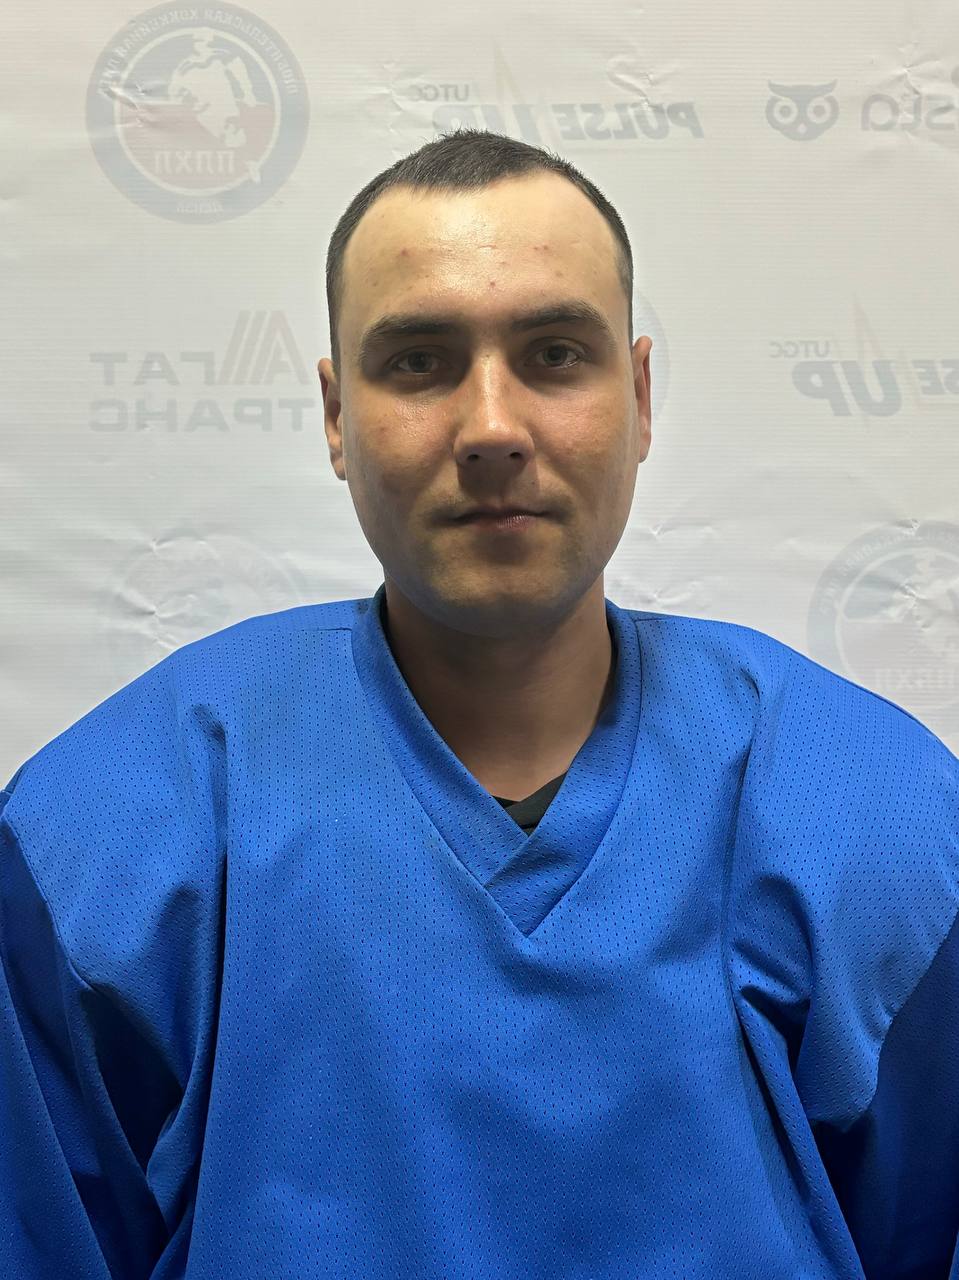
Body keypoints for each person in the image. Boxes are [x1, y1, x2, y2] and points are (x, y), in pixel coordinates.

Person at [1, 127, 956, 1280]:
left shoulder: (876, 818)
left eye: (554, 354)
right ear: (335, 415)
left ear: (638, 397)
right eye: (418, 362)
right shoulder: (108, 832)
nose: (492, 427)